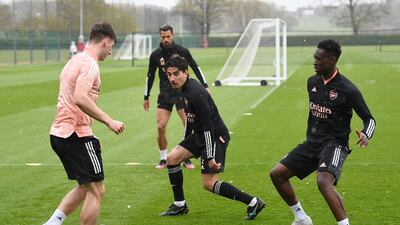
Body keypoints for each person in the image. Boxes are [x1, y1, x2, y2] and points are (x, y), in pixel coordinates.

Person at [269, 39, 376, 225]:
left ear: (332, 60)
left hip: (335, 144)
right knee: (277, 174)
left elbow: (369, 119)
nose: (315, 62)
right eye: (314, 58)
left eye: (319, 59)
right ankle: (302, 218)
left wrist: (366, 133)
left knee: (323, 182)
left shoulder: (348, 90)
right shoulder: (312, 82)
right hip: (312, 143)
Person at [160, 55, 265, 219]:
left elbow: (209, 127)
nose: (172, 78)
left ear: (186, 72)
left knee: (208, 184)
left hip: (215, 137)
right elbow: (190, 119)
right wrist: (185, 143)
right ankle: (180, 205)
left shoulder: (195, 92)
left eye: (175, 74)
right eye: (169, 74)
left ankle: (253, 202)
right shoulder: (182, 88)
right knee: (172, 158)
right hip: (200, 134)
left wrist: (209, 157)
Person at [43, 22, 124, 225]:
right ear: (106, 41)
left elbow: (70, 101)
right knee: (97, 190)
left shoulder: (74, 60)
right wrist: (109, 121)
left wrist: (90, 135)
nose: (111, 52)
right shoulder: (90, 64)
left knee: (84, 187)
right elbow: (79, 98)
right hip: (74, 134)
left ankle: (52, 223)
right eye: (112, 46)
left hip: (60, 133)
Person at [144, 24, 209, 169]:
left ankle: (185, 157)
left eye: (168, 36)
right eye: (163, 37)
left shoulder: (182, 51)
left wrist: (205, 85)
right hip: (165, 95)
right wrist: (146, 96)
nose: (166, 39)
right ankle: (162, 159)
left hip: (182, 93)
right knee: (160, 127)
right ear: (160, 37)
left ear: (173, 35)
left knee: (188, 125)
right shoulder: (155, 55)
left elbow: (195, 66)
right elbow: (150, 76)